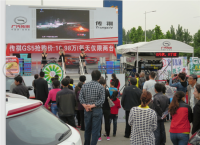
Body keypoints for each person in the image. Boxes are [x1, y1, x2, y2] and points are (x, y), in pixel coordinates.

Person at [79, 70, 105, 145]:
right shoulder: (101, 87)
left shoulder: (84, 85)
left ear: (91, 76)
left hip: (87, 110)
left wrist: (86, 106)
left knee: (87, 129)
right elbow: (102, 100)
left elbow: (80, 98)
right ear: (99, 78)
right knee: (95, 130)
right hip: (97, 110)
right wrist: (93, 105)